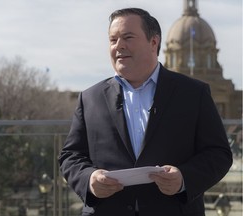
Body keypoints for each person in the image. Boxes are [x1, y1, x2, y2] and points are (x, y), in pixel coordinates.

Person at [59, 8, 232, 216]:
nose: (119, 45)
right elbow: (71, 156)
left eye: (128, 37)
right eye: (113, 40)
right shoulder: (89, 98)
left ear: (154, 42)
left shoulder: (194, 94)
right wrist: (89, 179)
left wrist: (184, 179)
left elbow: (219, 153)